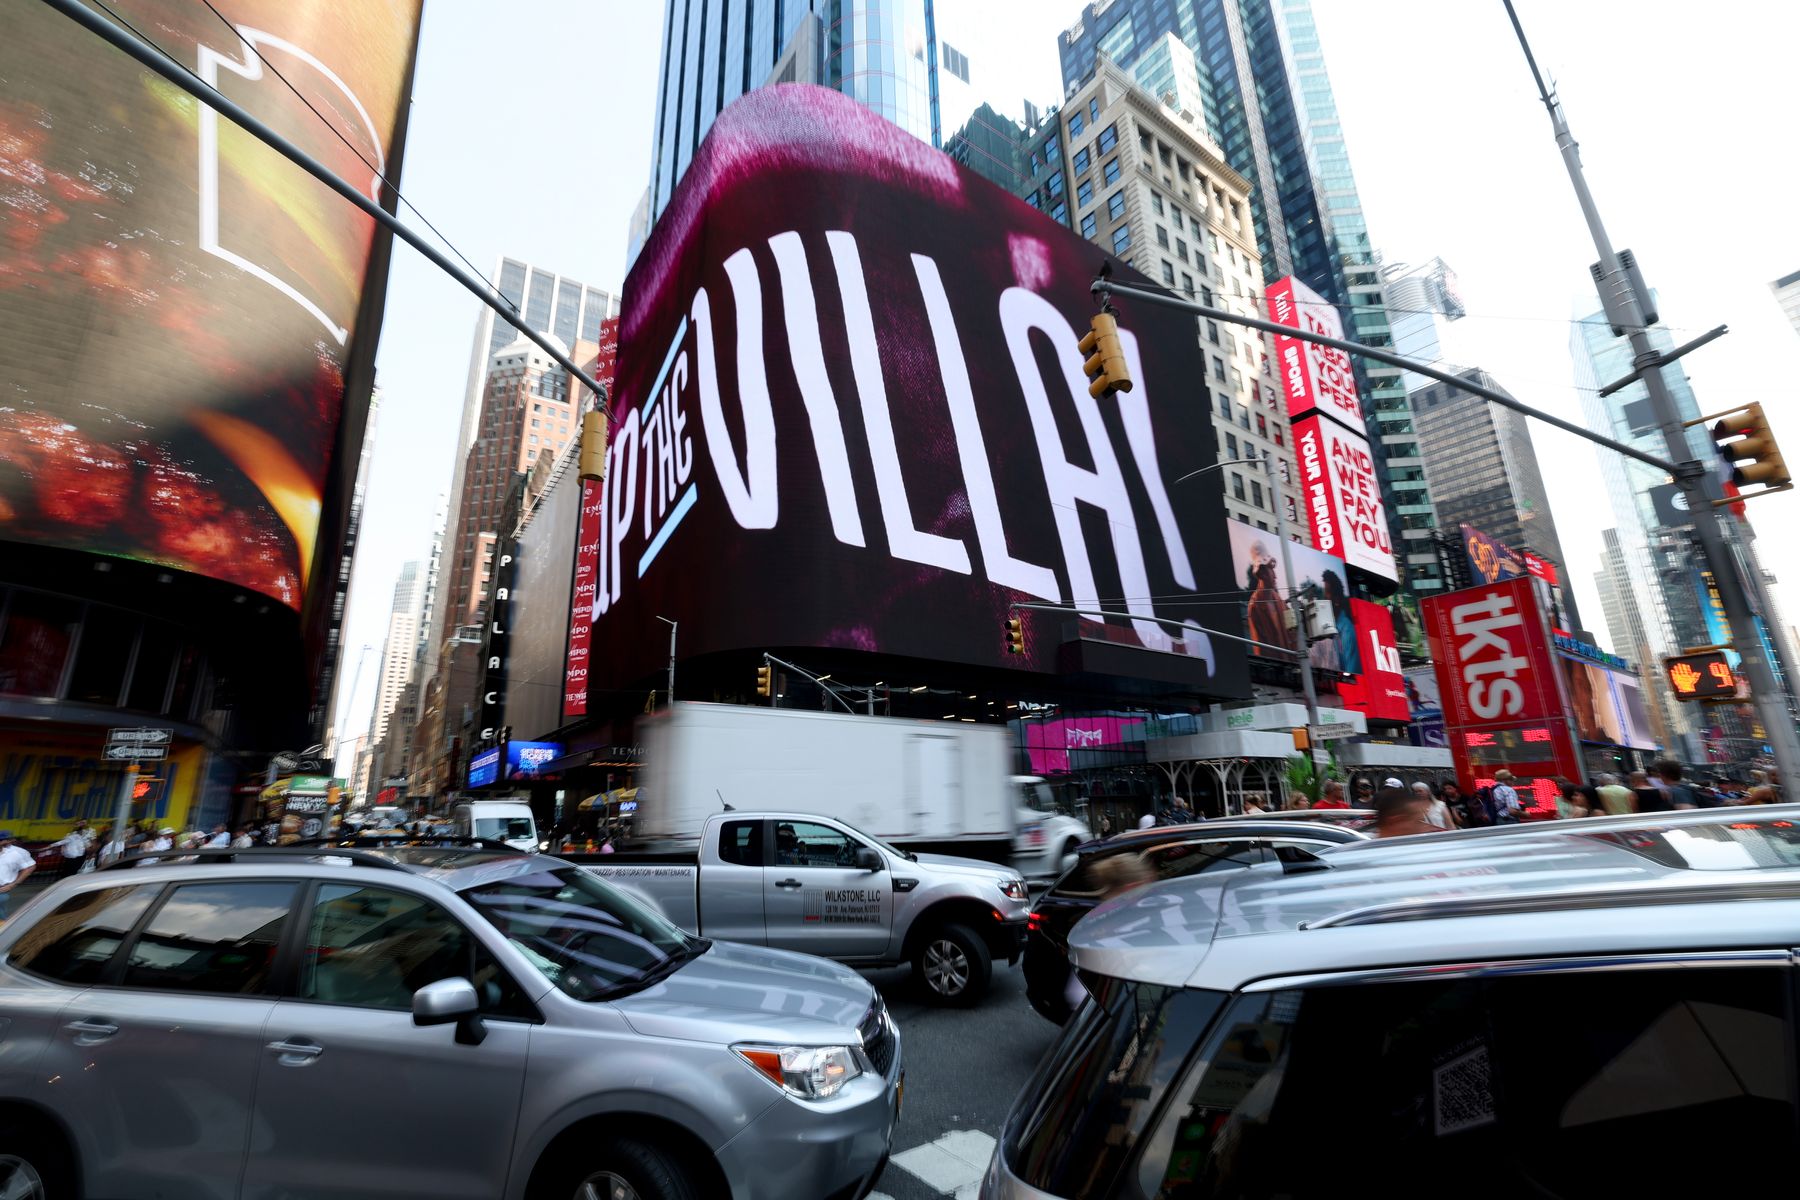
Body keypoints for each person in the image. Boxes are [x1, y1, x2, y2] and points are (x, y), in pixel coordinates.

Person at [0, 831, 36, 921]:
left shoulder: (17, 853)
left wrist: (13, 884)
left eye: (5, 839)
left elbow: (29, 867)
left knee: (1, 916)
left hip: (1, 890)